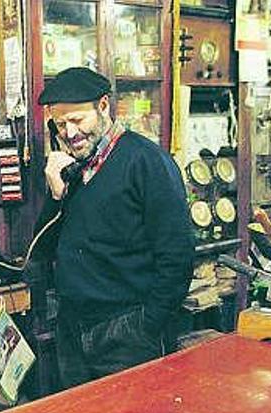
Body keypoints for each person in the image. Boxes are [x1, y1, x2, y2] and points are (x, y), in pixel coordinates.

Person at [33, 67, 194, 389]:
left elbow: (177, 258)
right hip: (72, 328)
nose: (69, 133)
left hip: (127, 330)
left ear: (103, 106)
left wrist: (146, 325)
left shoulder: (147, 162)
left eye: (78, 120)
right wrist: (55, 195)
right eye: (60, 124)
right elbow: (43, 249)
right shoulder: (71, 168)